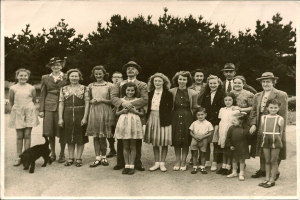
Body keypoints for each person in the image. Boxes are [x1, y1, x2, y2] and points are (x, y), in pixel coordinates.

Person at [249, 72, 288, 181]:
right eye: (264, 82)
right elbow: (253, 111)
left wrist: (281, 130)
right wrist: (253, 124)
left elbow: (283, 113)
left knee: (275, 147)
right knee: (263, 146)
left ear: (273, 82)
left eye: (268, 82)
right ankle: (263, 170)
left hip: (274, 125)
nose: (266, 84)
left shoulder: (281, 94)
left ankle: (275, 172)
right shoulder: (257, 95)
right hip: (261, 124)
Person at [111, 61, 148, 171]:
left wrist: (130, 104)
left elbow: (144, 99)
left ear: (137, 71)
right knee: (122, 138)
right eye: (128, 68)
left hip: (135, 114)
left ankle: (137, 163)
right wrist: (123, 104)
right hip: (122, 114)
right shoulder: (119, 84)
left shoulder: (142, 84)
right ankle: (121, 162)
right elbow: (113, 97)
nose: (130, 70)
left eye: (133, 68)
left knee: (135, 139)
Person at [58, 69, 89, 167]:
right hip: (67, 113)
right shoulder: (63, 89)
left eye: (76, 76)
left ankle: (79, 158)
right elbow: (61, 104)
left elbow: (87, 103)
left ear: (80, 77)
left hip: (80, 113)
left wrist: (85, 117)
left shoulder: (85, 88)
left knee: (80, 136)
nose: (74, 78)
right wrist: (60, 118)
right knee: (69, 136)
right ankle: (71, 158)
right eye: (72, 76)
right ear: (68, 77)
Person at [39, 57, 68, 163]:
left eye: (58, 65)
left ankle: (62, 153)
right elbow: (42, 94)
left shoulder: (66, 76)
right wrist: (41, 110)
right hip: (49, 106)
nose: (56, 67)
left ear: (62, 66)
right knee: (50, 131)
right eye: (53, 65)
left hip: (63, 106)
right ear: (50, 66)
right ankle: (53, 153)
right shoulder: (45, 78)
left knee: (62, 130)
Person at [9, 68, 39, 166]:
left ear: (28, 77)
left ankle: (27, 156)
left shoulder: (31, 88)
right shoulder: (13, 88)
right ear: (17, 76)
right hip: (18, 112)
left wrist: (28, 109)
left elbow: (34, 100)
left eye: (25, 75)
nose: (23, 77)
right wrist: (17, 109)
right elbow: (11, 101)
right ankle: (19, 157)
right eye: (21, 75)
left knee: (27, 135)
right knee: (19, 136)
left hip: (29, 112)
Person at [86, 66, 115, 167]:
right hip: (94, 111)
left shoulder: (109, 85)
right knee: (96, 136)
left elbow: (113, 100)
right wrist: (91, 101)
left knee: (103, 136)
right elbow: (87, 99)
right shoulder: (90, 86)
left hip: (105, 111)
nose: (98, 75)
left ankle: (104, 157)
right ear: (94, 75)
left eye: (100, 73)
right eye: (96, 74)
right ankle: (97, 157)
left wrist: (101, 100)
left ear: (104, 74)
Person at [169, 71, 198, 171]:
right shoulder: (171, 91)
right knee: (176, 139)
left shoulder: (193, 93)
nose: (182, 81)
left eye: (184, 79)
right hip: (175, 116)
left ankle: (183, 161)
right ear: (177, 80)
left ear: (187, 81)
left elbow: (194, 107)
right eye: (180, 79)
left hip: (187, 117)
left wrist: (191, 118)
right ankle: (177, 161)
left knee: (186, 139)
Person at [144, 73, 173, 172]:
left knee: (164, 142)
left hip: (164, 119)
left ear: (163, 82)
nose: (157, 82)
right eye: (155, 81)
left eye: (159, 81)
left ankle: (162, 163)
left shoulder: (168, 93)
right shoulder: (150, 93)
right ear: (152, 82)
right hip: (152, 117)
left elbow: (170, 108)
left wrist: (167, 118)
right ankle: (156, 162)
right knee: (155, 142)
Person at [114, 82, 144, 175]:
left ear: (135, 91)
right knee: (125, 146)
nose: (130, 92)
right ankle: (126, 165)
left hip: (134, 123)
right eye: (128, 90)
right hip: (124, 123)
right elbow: (116, 113)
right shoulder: (121, 100)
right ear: (124, 91)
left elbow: (142, 113)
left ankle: (132, 165)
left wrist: (135, 111)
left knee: (133, 146)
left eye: (132, 90)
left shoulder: (138, 100)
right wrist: (123, 111)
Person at [257, 99, 284, 188]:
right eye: (271, 107)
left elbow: (281, 132)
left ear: (278, 108)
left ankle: (272, 179)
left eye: (275, 108)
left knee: (274, 160)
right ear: (267, 108)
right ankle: (267, 178)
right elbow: (262, 130)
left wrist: (279, 142)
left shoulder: (280, 118)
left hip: (275, 139)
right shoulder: (264, 117)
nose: (273, 109)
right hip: (266, 139)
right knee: (267, 160)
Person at [200, 75, 224, 172]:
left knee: (215, 142)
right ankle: (207, 160)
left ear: (218, 84)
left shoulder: (222, 94)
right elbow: (203, 107)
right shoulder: (206, 94)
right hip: (207, 121)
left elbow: (222, 108)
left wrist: (218, 121)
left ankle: (215, 161)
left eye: (215, 83)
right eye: (211, 83)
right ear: (208, 84)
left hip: (217, 121)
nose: (213, 85)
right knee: (206, 142)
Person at [217, 92, 240, 175]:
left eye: (230, 100)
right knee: (224, 149)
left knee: (229, 149)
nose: (228, 102)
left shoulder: (235, 109)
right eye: (226, 100)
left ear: (233, 100)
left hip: (230, 131)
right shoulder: (222, 109)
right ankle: (224, 166)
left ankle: (229, 167)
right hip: (223, 130)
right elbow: (221, 120)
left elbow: (237, 121)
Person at [226, 112, 250, 181]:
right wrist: (230, 145)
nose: (232, 122)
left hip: (242, 147)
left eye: (234, 120)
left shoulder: (246, 129)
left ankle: (241, 173)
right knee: (234, 159)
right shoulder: (231, 128)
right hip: (234, 146)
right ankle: (234, 172)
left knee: (242, 160)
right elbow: (228, 137)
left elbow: (248, 137)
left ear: (241, 121)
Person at [189, 107, 213, 174]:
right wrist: (195, 136)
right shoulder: (194, 123)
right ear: (196, 116)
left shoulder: (208, 123)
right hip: (195, 139)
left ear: (205, 114)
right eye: (198, 115)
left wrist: (203, 136)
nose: (200, 116)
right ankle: (195, 167)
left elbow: (210, 132)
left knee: (203, 154)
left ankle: (202, 167)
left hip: (203, 140)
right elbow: (190, 132)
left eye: (202, 114)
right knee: (194, 154)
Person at [107, 71, 123, 158]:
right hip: (110, 110)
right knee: (110, 130)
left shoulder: (123, 86)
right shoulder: (109, 86)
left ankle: (122, 150)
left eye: (119, 77)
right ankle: (112, 148)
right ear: (112, 78)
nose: (117, 79)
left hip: (121, 110)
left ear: (122, 78)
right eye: (115, 77)